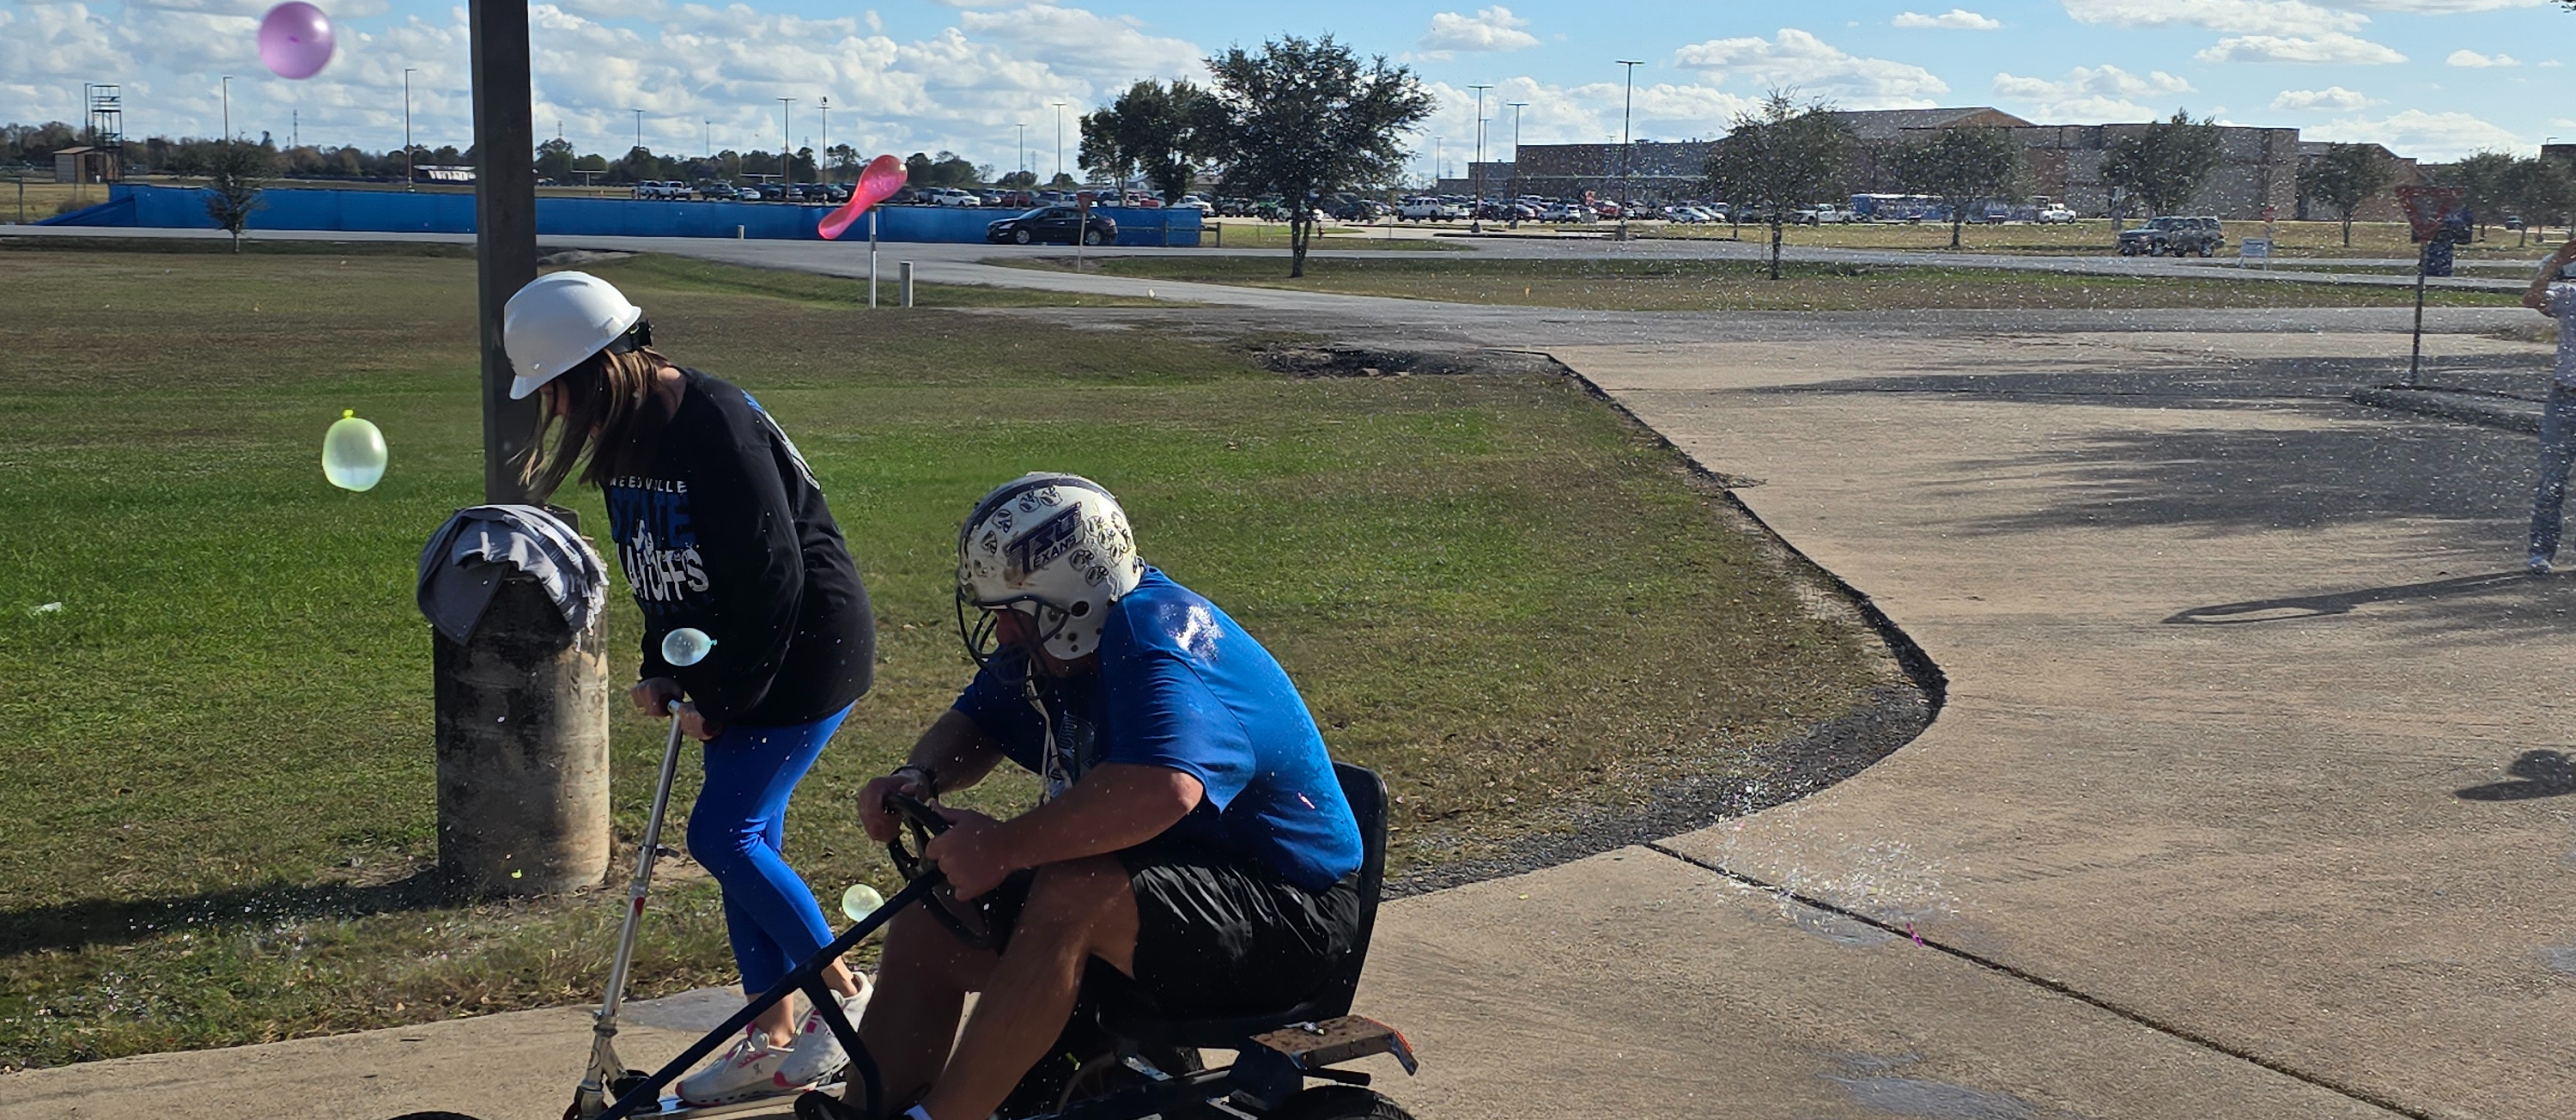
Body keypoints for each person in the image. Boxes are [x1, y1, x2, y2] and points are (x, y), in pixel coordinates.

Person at [854, 472, 1363, 1120]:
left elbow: (1163, 789)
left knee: (1075, 889)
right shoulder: (1063, 646)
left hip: (1297, 915)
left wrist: (1004, 847)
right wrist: (918, 776)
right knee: (938, 902)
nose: (1005, 634)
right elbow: (977, 722)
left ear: (1076, 602)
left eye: (1016, 615)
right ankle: (873, 1108)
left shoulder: (1159, 634)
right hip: (1176, 890)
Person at [502, 271, 878, 1105]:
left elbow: (774, 578)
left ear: (603, 365)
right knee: (747, 843)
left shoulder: (714, 423)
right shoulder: (630, 439)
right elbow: (657, 568)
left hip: (806, 652)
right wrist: (660, 662)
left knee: (724, 834)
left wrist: (728, 693)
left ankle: (847, 1000)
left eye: (557, 390)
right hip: (739, 660)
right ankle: (774, 1034)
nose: (555, 410)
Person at [2524, 237, 2576, 574]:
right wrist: (2555, 263)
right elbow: (2532, 299)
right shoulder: (2571, 295)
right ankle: (2541, 552)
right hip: (2566, 399)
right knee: (2552, 482)